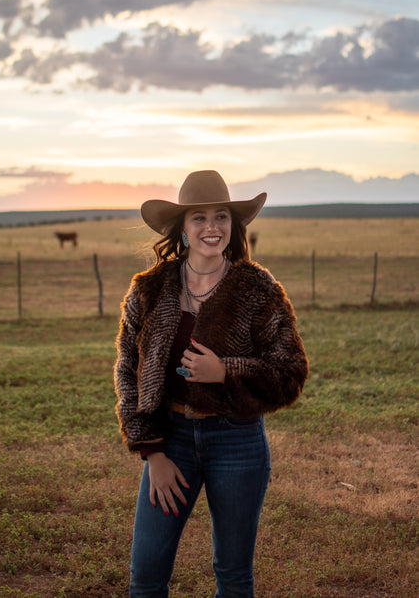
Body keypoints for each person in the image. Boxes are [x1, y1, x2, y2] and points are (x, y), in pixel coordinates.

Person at [114, 170, 309, 598]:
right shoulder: (149, 290)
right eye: (198, 218)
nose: (212, 227)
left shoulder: (259, 290)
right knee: (146, 575)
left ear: (233, 226)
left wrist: (228, 370)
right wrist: (153, 451)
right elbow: (128, 372)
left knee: (233, 574)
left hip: (237, 441)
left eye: (221, 217)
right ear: (181, 229)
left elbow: (291, 371)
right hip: (172, 439)